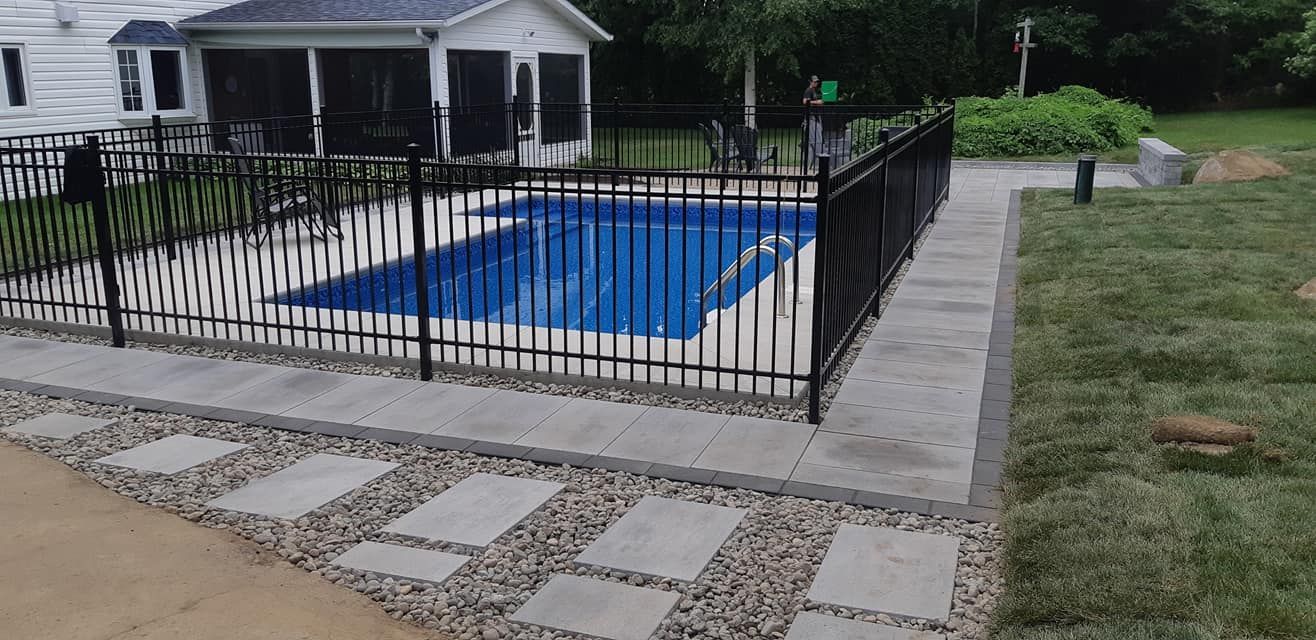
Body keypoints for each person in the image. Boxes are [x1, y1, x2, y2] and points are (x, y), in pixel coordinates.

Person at [802, 75, 825, 172]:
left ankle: (814, 163)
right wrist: (817, 102)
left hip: (816, 118)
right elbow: (804, 101)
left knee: (816, 140)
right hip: (811, 119)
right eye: (814, 81)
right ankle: (820, 162)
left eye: (817, 82)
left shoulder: (815, 91)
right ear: (810, 82)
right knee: (815, 140)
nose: (816, 83)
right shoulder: (808, 90)